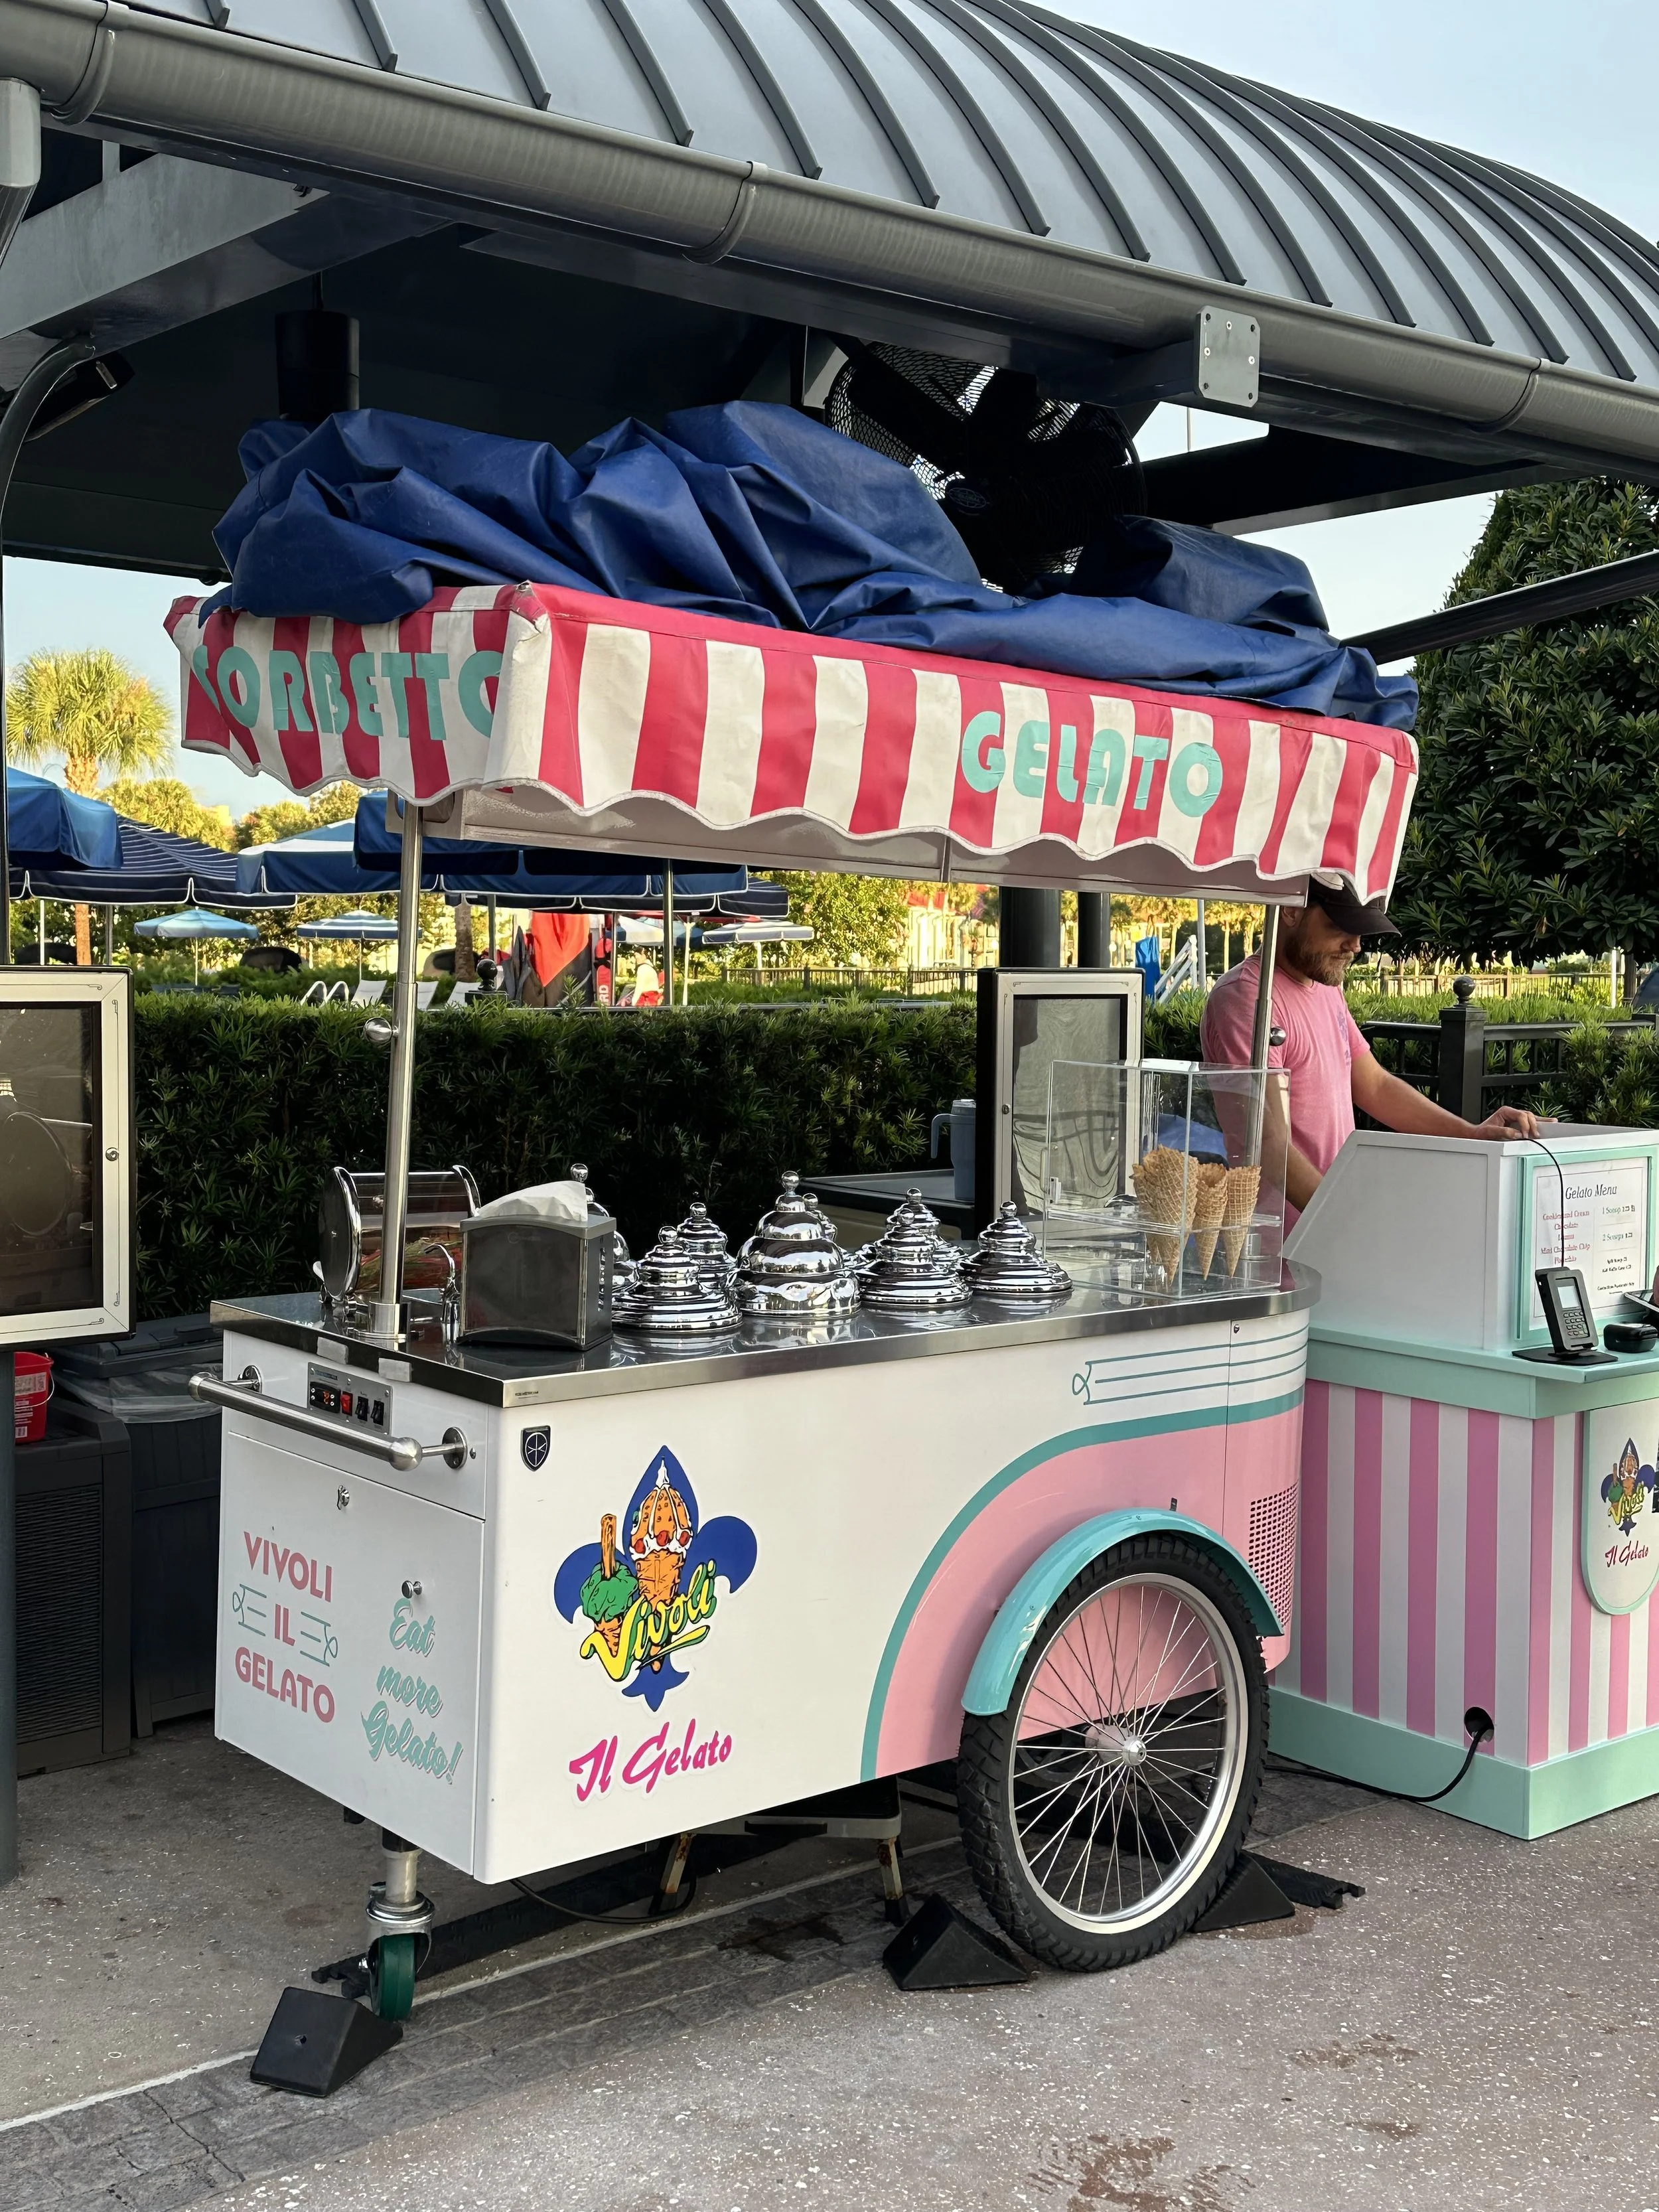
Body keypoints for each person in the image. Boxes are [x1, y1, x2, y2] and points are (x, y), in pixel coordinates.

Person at [1200, 877, 1537, 1224]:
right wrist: (1344, 1223)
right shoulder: (1248, 999)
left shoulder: (1325, 984)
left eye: (1362, 931)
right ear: (1290, 910)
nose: (1356, 945)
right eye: (1342, 926)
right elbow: (1267, 1141)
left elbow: (1373, 1084)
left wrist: (1472, 1133)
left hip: (1329, 1227)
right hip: (1281, 1247)